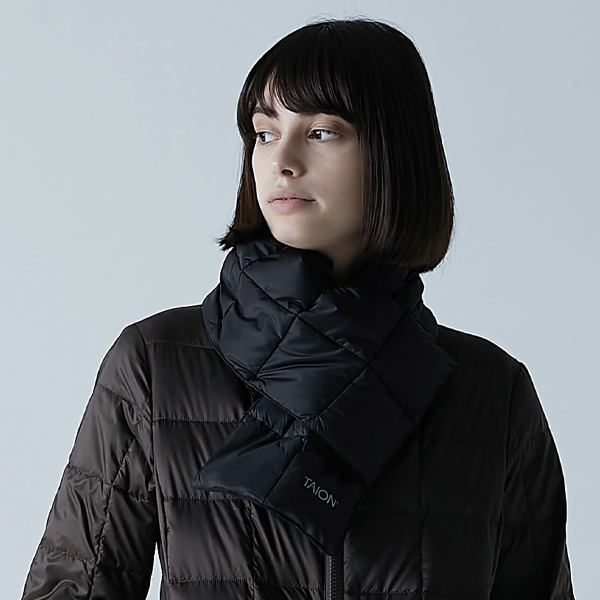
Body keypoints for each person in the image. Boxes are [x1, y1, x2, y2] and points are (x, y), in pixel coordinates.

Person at [21, 17, 575, 600]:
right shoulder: (155, 367)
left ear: (394, 154)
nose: (281, 159)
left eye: (322, 132)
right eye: (264, 133)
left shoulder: (492, 393)